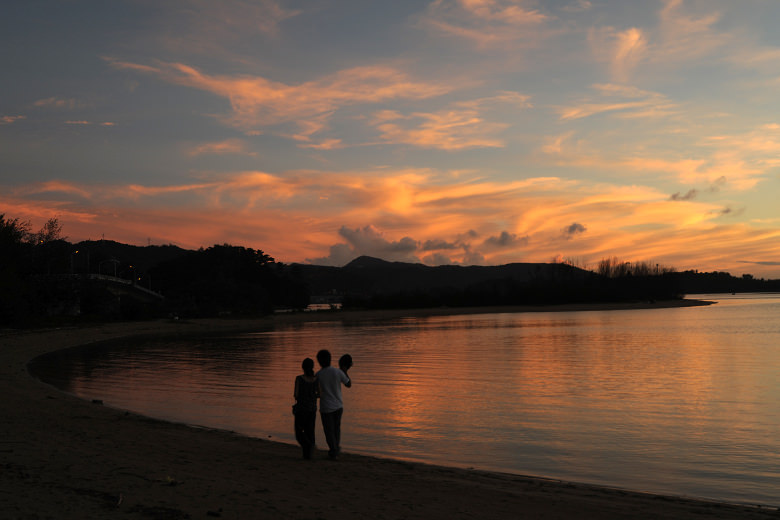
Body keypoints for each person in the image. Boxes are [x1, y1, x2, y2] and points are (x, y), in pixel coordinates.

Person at [316, 349, 351, 460]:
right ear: (330, 359)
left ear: (319, 361)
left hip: (326, 407)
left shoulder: (318, 375)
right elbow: (348, 384)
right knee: (336, 429)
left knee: (328, 430)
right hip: (338, 406)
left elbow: (316, 392)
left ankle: (333, 450)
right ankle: (335, 449)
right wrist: (345, 370)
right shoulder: (337, 372)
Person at [293, 358, 319, 460]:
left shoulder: (299, 379)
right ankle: (308, 454)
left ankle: (307, 448)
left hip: (301, 409)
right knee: (310, 431)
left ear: (302, 367)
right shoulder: (316, 379)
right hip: (312, 409)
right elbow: (320, 393)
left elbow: (296, 394)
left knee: (299, 432)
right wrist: (312, 396)